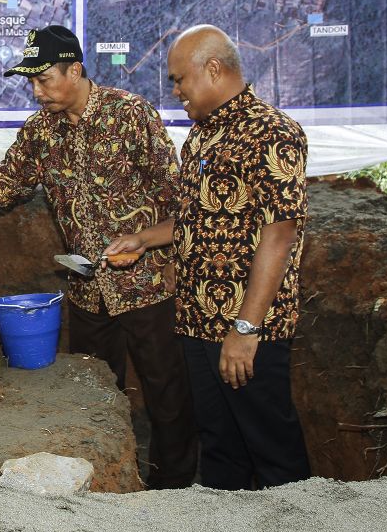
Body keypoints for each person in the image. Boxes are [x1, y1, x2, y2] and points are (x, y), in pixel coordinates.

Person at [0, 25, 197, 490]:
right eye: (31, 83)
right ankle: (102, 479)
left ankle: (175, 487)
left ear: (74, 70)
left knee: (166, 391)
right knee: (91, 391)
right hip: (87, 290)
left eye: (44, 80)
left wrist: (148, 243)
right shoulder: (42, 131)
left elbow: (180, 200)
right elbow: (8, 176)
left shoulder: (130, 115)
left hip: (147, 285)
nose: (37, 92)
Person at [107, 24, 311, 490]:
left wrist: (245, 330)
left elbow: (278, 238)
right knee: (219, 447)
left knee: (271, 448)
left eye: (180, 79)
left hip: (248, 328)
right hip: (197, 321)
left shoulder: (273, 133)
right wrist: (143, 239)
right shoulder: (199, 139)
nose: (175, 90)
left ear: (214, 69)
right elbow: (195, 219)